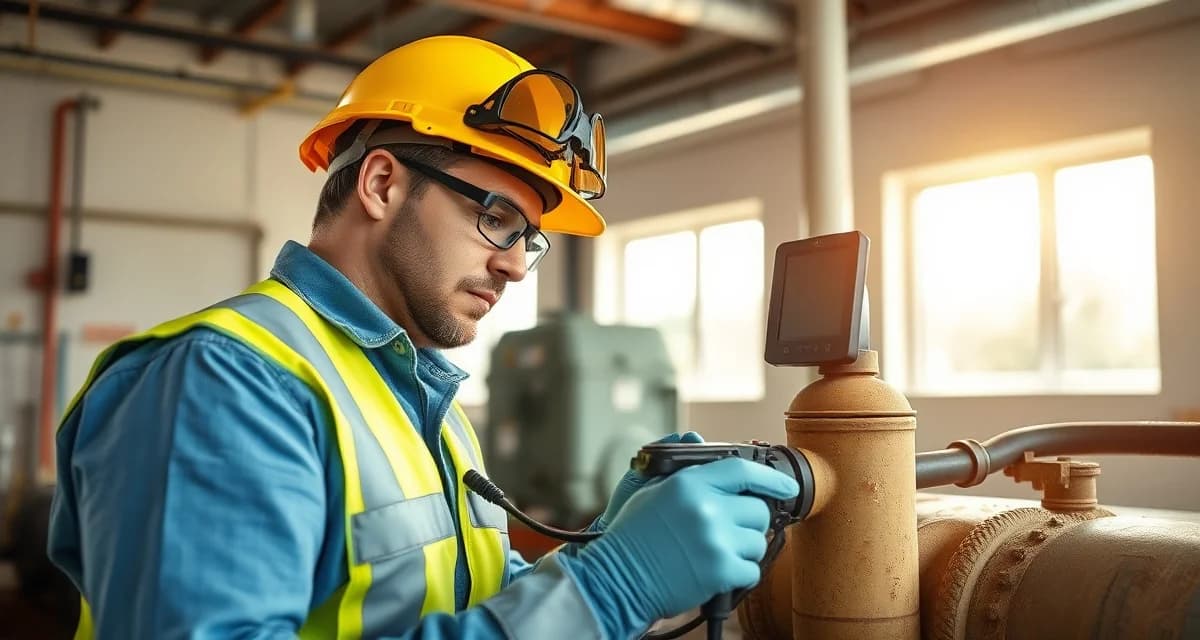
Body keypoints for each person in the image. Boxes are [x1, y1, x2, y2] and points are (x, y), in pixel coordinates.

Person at [47, 36, 798, 639]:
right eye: (496, 217)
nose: (515, 265)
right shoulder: (224, 381)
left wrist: (606, 552)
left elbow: (462, 603)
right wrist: (607, 590)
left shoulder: (422, 398)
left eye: (528, 238)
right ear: (381, 184)